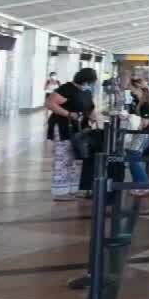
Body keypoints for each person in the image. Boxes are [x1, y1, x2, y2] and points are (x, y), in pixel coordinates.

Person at [45, 68, 98, 201]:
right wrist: (68, 114)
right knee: (63, 158)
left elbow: (90, 108)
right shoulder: (66, 89)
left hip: (80, 130)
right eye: (90, 82)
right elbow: (50, 103)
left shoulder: (86, 91)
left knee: (76, 158)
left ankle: (73, 188)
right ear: (84, 80)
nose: (91, 84)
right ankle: (61, 192)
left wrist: (94, 117)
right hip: (64, 128)